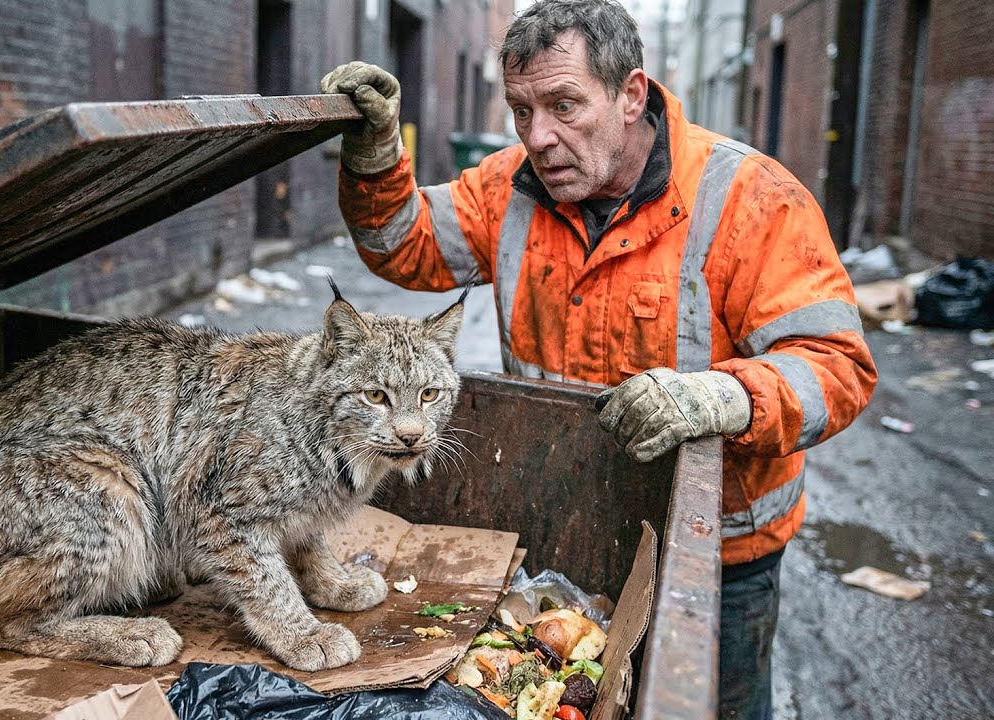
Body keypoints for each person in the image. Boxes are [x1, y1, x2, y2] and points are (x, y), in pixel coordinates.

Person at [320, 1, 876, 717]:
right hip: (565, 526)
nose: (539, 136)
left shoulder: (750, 199)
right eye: (521, 110)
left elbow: (837, 365)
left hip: (716, 561)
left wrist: (725, 397)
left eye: (564, 104)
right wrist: (374, 159)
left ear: (631, 94)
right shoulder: (508, 188)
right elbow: (405, 243)